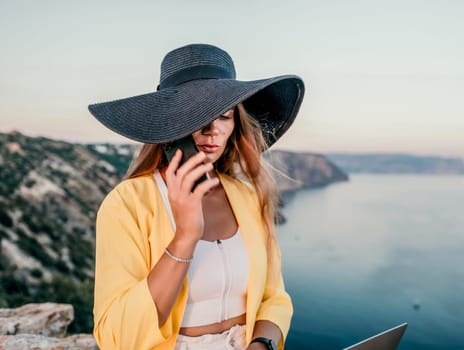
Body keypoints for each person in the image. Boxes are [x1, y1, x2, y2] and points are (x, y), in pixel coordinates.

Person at [88, 43, 305, 350]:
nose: (212, 131)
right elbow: (117, 336)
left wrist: (261, 344)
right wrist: (186, 236)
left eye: (225, 116)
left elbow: (275, 297)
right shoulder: (127, 204)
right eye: (198, 117)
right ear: (170, 125)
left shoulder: (246, 197)